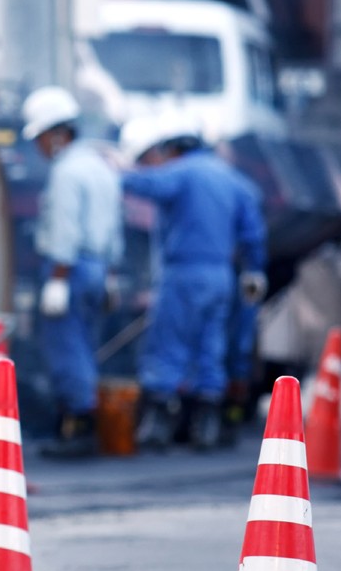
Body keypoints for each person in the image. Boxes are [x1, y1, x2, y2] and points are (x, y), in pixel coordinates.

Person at [119, 112, 266, 451]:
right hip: (221, 277)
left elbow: (146, 184)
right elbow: (253, 232)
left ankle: (157, 425)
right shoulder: (233, 180)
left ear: (174, 147)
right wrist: (255, 269)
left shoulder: (182, 173)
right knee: (210, 347)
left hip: (183, 272)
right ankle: (208, 425)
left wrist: (114, 172)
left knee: (168, 344)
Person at [21, 86, 124, 457]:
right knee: (84, 345)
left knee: (66, 348)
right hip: (98, 267)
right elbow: (114, 229)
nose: (39, 147)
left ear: (58, 134)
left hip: (71, 268)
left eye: (40, 138)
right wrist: (111, 275)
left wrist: (58, 280)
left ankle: (79, 427)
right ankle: (80, 423)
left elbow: (65, 229)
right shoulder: (101, 168)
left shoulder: (66, 173)